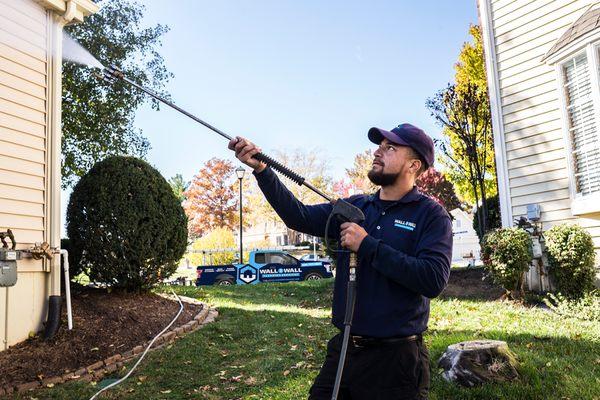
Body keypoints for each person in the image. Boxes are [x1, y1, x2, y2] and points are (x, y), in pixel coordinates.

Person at [229, 123, 453, 400]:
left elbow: (432, 279)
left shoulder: (431, 215)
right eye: (379, 145)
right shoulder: (357, 207)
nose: (378, 152)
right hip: (346, 350)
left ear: (414, 165)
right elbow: (298, 216)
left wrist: (367, 245)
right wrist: (262, 170)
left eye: (390, 148)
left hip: (396, 361)